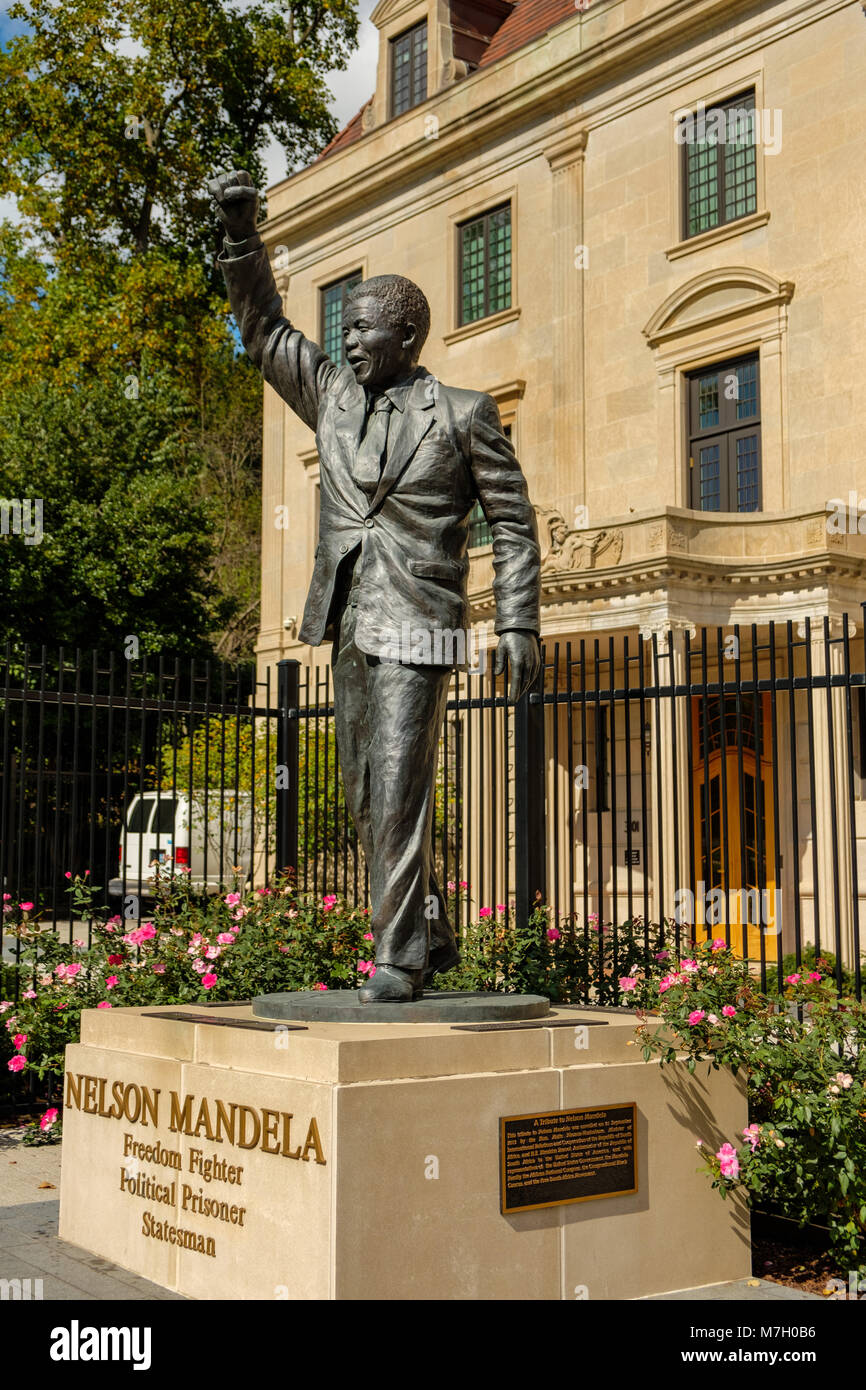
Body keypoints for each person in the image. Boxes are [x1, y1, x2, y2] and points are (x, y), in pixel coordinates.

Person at [209, 170, 542, 1003]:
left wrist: (517, 624)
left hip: (422, 622)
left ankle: (396, 959)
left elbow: (512, 521)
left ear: (404, 335)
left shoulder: (464, 414)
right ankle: (426, 925)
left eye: (360, 329)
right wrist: (241, 235)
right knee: (367, 792)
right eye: (345, 328)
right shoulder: (329, 395)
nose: (346, 341)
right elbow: (261, 329)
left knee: (397, 785)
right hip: (347, 617)